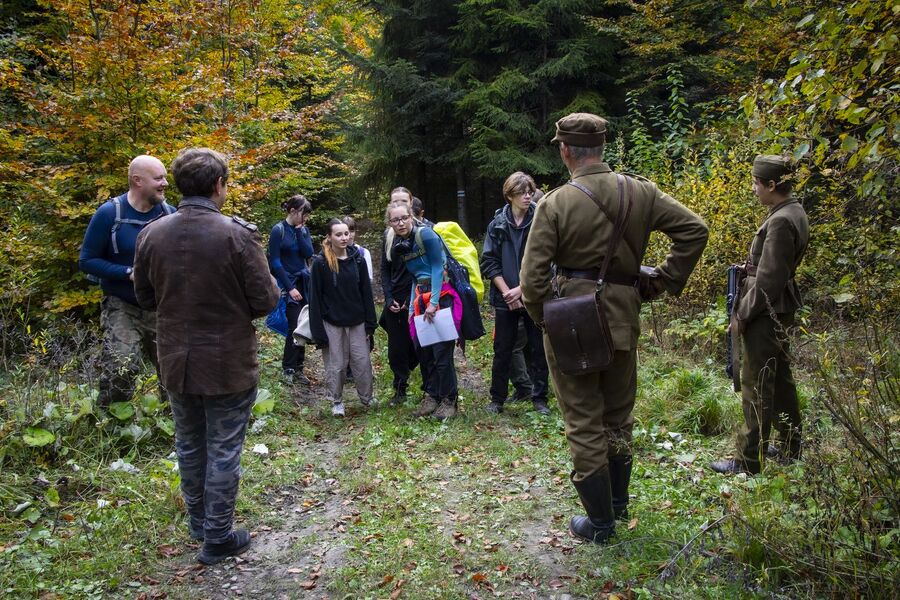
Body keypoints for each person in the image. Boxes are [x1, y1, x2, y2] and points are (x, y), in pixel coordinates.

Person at [520, 113, 708, 544]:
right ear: (602, 147)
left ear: (565, 151)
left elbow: (531, 281)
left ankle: (601, 524)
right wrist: (664, 279)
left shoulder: (555, 203)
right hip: (623, 316)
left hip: (571, 323)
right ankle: (618, 505)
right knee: (618, 416)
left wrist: (544, 318)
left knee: (584, 420)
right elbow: (694, 231)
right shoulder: (641, 191)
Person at [133, 147, 280, 565]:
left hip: (175, 359)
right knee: (223, 447)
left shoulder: (151, 235)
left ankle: (200, 525)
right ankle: (216, 536)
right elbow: (266, 299)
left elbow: (145, 297)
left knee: (189, 443)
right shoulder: (237, 235)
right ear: (218, 185)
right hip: (227, 361)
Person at [711, 155, 809, 475]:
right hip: (778, 308)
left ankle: (749, 460)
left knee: (756, 383)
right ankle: (791, 446)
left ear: (772, 184)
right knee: (779, 379)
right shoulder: (792, 211)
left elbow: (769, 279)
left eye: (756, 183)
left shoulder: (781, 220)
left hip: (766, 311)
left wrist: (742, 313)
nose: (753, 189)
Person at [79, 155, 175, 408]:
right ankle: (112, 420)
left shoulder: (170, 215)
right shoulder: (110, 214)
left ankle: (175, 421)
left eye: (165, 177)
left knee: (172, 368)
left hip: (161, 307)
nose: (165, 183)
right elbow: (87, 260)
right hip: (122, 304)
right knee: (122, 366)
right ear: (137, 180)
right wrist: (128, 272)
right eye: (158, 178)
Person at [481, 171, 550, 415]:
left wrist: (522, 290)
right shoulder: (497, 224)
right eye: (522, 192)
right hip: (505, 298)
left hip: (533, 296)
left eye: (530, 192)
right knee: (503, 349)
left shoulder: (541, 221)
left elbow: (548, 262)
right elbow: (489, 261)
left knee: (539, 349)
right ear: (510, 195)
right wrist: (507, 292)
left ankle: (540, 399)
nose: (527, 196)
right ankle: (497, 399)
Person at [386, 200, 460, 420]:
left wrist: (433, 303)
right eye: (395, 220)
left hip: (441, 296)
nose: (401, 223)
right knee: (425, 353)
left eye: (404, 218)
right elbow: (414, 277)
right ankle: (432, 396)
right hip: (420, 297)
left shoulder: (425, 234)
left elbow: (437, 267)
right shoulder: (400, 243)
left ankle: (449, 400)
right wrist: (412, 307)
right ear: (390, 223)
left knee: (442, 354)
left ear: (411, 216)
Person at [308, 218, 377, 417]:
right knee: (336, 365)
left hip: (357, 320)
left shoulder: (358, 260)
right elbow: (315, 298)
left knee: (362, 362)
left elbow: (366, 293)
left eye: (346, 233)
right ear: (329, 237)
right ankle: (336, 401)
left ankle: (367, 398)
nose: (344, 238)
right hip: (332, 321)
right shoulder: (321, 263)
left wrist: (370, 323)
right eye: (338, 234)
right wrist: (318, 331)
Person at [379, 187, 421, 406]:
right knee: (396, 348)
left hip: (418, 296)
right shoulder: (388, 235)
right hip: (395, 298)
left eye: (403, 201)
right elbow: (385, 269)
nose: (399, 204)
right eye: (394, 201)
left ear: (411, 204)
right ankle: (399, 388)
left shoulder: (424, 232)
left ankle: (429, 389)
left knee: (419, 345)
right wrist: (388, 297)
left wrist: (413, 298)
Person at [268, 195, 314, 385]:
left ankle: (299, 368)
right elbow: (275, 262)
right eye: (304, 214)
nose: (306, 218)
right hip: (288, 283)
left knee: (303, 324)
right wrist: (290, 287)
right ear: (293, 211)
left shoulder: (303, 230)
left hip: (304, 282)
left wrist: (300, 232)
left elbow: (308, 253)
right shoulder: (278, 230)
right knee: (294, 324)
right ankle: (288, 367)